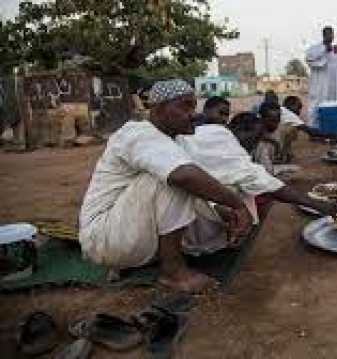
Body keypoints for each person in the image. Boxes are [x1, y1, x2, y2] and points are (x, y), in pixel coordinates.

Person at [79, 79, 253, 293]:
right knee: (176, 178)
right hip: (105, 237)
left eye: (194, 106)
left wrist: (220, 212)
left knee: (197, 191)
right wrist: (237, 204)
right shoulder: (136, 133)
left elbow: (193, 191)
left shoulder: (170, 141)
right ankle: (173, 272)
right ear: (159, 109)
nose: (194, 114)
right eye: (185, 106)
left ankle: (152, 259)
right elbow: (183, 178)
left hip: (127, 237)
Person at [177, 109, 337, 237]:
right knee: (241, 191)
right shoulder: (231, 147)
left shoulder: (213, 130)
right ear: (241, 130)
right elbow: (266, 183)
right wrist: (320, 205)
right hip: (186, 211)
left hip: (172, 189)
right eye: (255, 137)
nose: (256, 143)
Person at [305, 26, 337, 126]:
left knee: (333, 107)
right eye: (328, 34)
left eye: (332, 34)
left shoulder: (335, 50)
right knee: (316, 107)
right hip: (319, 86)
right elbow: (309, 58)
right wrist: (325, 49)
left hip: (333, 87)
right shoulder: (315, 48)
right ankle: (313, 128)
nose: (330, 36)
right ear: (324, 35)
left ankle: (330, 128)